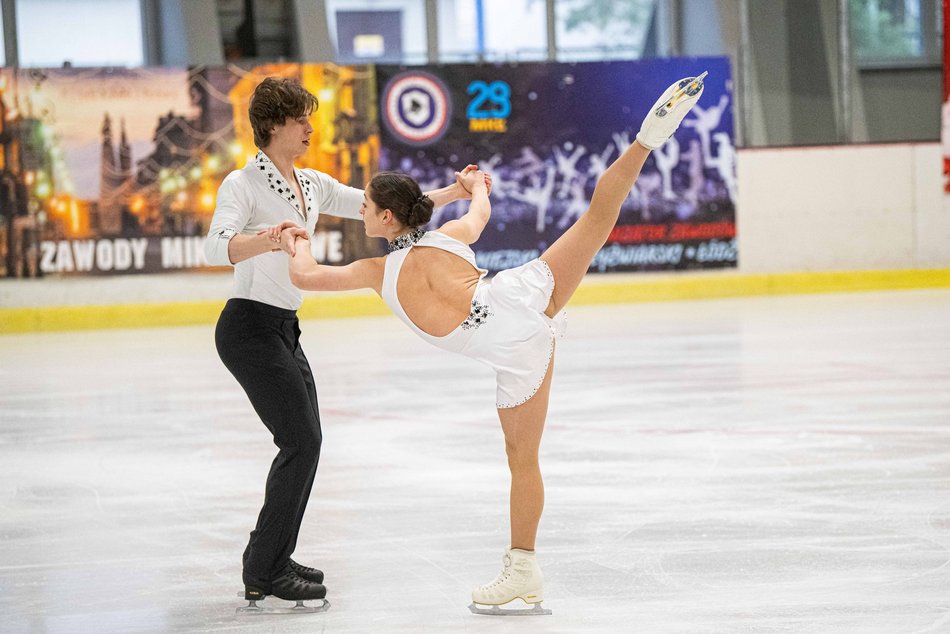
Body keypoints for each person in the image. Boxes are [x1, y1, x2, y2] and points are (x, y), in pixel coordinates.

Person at [270, 73, 706, 614]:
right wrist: (475, 187)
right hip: (522, 307)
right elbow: (480, 212)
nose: (360, 216)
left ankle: (524, 566)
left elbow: (306, 278)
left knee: (523, 461)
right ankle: (647, 139)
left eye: (365, 210)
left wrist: (294, 240)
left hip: (514, 342)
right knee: (597, 219)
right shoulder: (446, 236)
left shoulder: (375, 271)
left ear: (386, 217)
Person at [203, 76, 478, 609]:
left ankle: (271, 556)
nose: (310, 127)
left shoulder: (310, 183)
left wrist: (454, 193)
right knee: (300, 442)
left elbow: (381, 208)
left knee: (308, 443)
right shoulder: (242, 184)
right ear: (272, 125)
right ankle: (265, 566)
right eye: (299, 119)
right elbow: (216, 248)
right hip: (248, 329)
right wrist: (269, 237)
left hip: (283, 327)